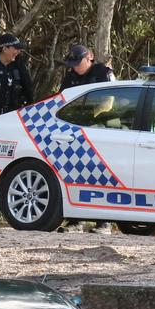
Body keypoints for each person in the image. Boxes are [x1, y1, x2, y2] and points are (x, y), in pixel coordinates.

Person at [57, 43, 116, 235]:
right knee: (75, 174)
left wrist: (89, 117)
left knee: (101, 175)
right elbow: (61, 100)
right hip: (75, 132)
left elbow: (109, 104)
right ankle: (76, 220)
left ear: (89, 57)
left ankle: (104, 222)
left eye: (78, 62)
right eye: (72, 63)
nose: (75, 67)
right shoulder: (70, 77)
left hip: (101, 130)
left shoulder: (103, 74)